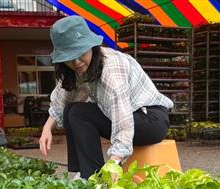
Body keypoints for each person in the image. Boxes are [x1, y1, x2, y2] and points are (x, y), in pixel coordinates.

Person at [38, 16, 173, 179]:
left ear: (91, 46)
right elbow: (63, 97)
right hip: (125, 116)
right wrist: (47, 128)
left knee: (79, 113)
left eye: (80, 53)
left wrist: (115, 162)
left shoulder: (112, 71)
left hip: (150, 119)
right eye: (69, 57)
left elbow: (123, 122)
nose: (76, 62)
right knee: (73, 110)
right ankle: (87, 173)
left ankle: (92, 177)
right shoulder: (74, 69)